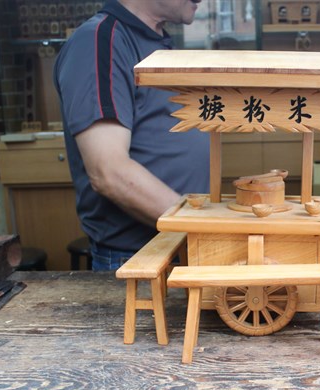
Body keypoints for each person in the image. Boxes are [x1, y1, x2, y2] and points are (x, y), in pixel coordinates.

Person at [54, 0, 209, 271]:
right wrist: (206, 227)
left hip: (182, 245)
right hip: (141, 258)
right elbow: (109, 172)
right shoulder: (100, 40)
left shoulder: (157, 44)